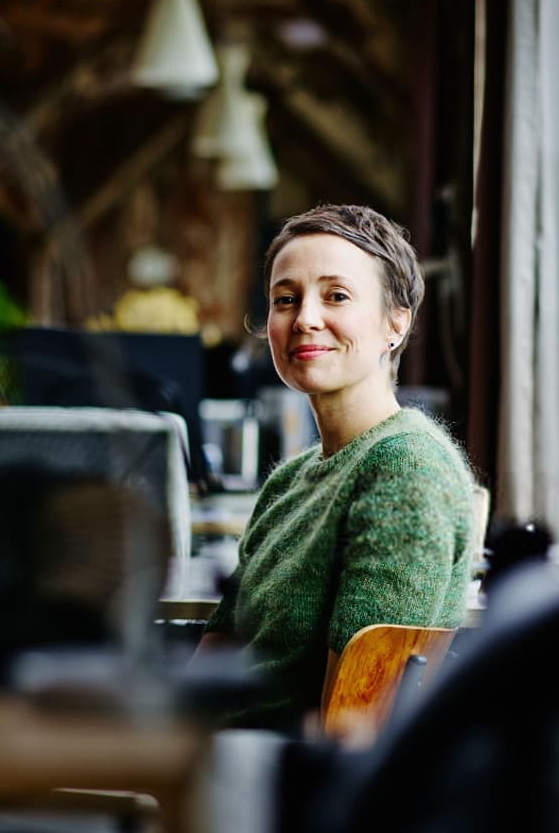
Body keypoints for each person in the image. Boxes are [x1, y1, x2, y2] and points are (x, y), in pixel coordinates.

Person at [195, 204, 478, 734]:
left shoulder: (405, 466)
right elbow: (219, 647)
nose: (304, 318)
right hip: (207, 755)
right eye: (285, 299)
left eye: (337, 296)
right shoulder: (289, 480)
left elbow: (355, 720)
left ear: (396, 324)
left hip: (277, 778)